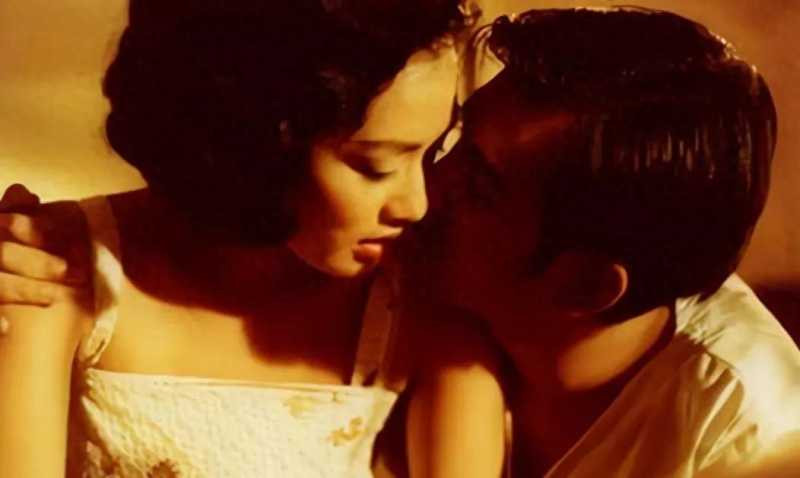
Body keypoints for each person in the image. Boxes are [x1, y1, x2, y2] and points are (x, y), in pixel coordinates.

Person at [0, 1, 508, 477]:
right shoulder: (54, 270)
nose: (416, 204)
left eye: (433, 152)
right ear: (249, 140)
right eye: (374, 166)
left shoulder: (422, 304)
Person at [413, 7, 799, 477]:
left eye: (478, 188)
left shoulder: (746, 444)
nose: (421, 186)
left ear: (585, 285)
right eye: (452, 141)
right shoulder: (408, 289)